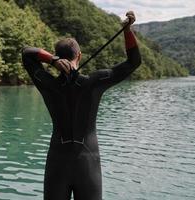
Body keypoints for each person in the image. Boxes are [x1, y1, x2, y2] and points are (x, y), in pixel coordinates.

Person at [22, 11, 141, 200]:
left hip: (57, 162)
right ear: (79, 55)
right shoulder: (95, 82)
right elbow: (134, 62)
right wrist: (127, 30)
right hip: (88, 163)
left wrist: (52, 61)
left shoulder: (49, 84)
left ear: (59, 56)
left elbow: (27, 54)